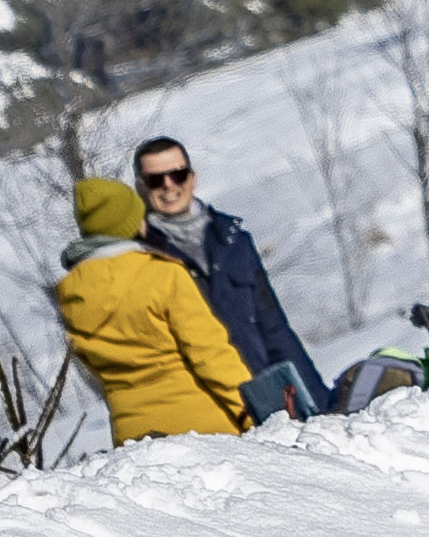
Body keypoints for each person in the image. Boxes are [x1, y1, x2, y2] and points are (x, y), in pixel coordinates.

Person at [131, 136, 329, 412]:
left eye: (177, 174)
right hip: (206, 409)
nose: (168, 185)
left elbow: (274, 329)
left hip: (265, 394)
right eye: (155, 179)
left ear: (192, 178)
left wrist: (318, 402)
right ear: (141, 188)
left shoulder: (235, 241)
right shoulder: (139, 256)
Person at [54, 175, 250, 442]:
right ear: (129, 222)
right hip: (207, 428)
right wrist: (249, 412)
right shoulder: (163, 274)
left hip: (134, 437)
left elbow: (91, 369)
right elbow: (210, 354)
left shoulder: (70, 294)